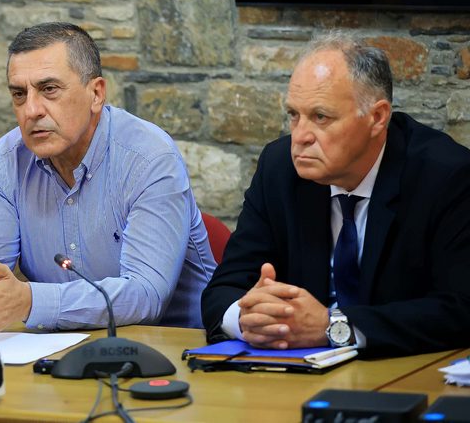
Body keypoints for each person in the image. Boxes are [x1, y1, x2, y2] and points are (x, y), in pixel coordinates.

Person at [0, 22, 216, 342]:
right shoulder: (6, 160)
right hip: (63, 350)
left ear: (96, 93)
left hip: (177, 351)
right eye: (19, 94)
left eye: (49, 89)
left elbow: (146, 295)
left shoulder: (149, 158)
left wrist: (31, 301)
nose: (31, 110)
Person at [201, 31, 470, 357]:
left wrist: (334, 326)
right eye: (294, 115)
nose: (300, 136)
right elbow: (223, 290)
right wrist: (250, 317)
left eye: (320, 117)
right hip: (293, 371)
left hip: (401, 370)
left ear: (377, 117)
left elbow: (460, 308)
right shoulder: (279, 168)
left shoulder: (445, 175)